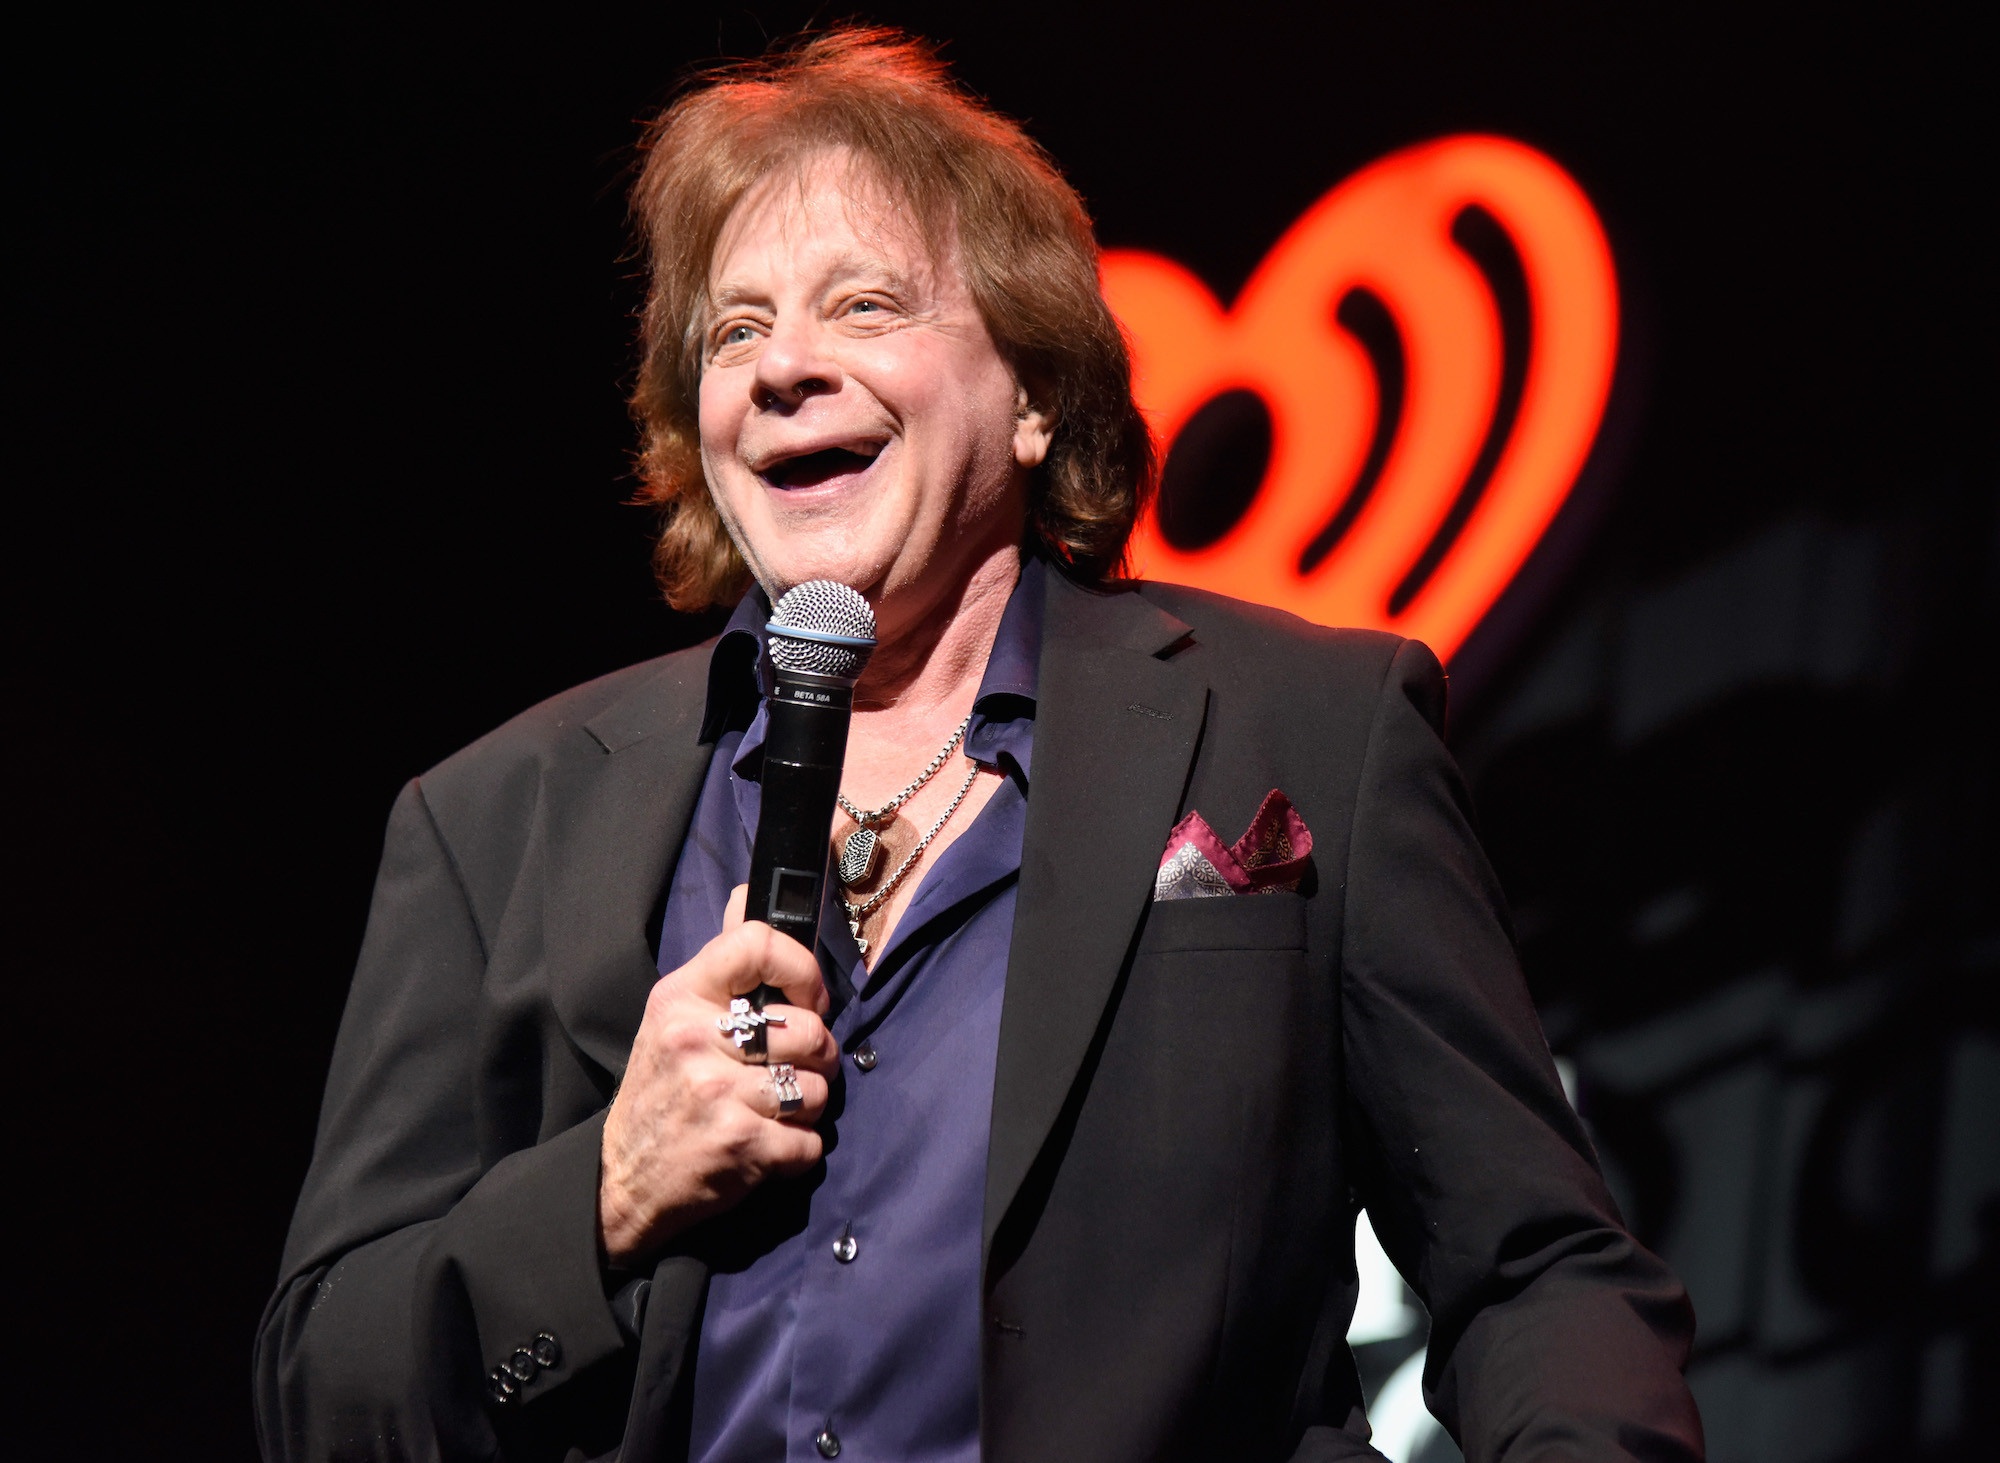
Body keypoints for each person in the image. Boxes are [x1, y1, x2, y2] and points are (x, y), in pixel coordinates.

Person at [255, 27, 1704, 1463]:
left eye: (864, 305)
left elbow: (1538, 1275)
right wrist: (601, 1206)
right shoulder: (497, 821)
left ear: (1029, 396)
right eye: (735, 330)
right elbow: (330, 1400)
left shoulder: (1308, 734)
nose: (781, 369)